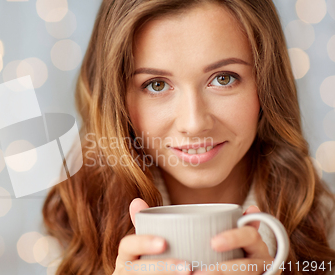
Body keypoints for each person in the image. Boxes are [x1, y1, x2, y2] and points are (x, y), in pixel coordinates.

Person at [42, 0, 335, 274]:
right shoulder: (81, 219)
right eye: (156, 85)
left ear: (266, 84)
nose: (194, 124)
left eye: (223, 78)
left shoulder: (323, 224)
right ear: (116, 100)